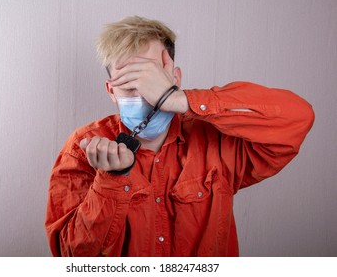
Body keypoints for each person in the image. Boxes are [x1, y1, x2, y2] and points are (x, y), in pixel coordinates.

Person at [45, 16, 314, 256]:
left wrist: (179, 100)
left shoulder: (216, 140)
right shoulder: (83, 148)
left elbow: (298, 117)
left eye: (152, 80)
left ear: (175, 79)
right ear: (111, 91)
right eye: (128, 84)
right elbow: (69, 256)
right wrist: (109, 183)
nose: (142, 95)